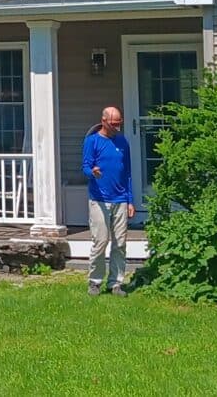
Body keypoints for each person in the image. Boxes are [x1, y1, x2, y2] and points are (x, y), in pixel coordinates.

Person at [82, 106, 134, 295]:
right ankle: (95, 282)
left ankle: (115, 283)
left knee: (120, 243)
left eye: (119, 124)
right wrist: (93, 173)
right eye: (113, 124)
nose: (117, 128)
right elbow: (85, 167)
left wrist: (130, 200)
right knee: (101, 241)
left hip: (120, 199)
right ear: (103, 121)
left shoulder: (122, 141)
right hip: (99, 199)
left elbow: (127, 172)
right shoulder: (92, 141)